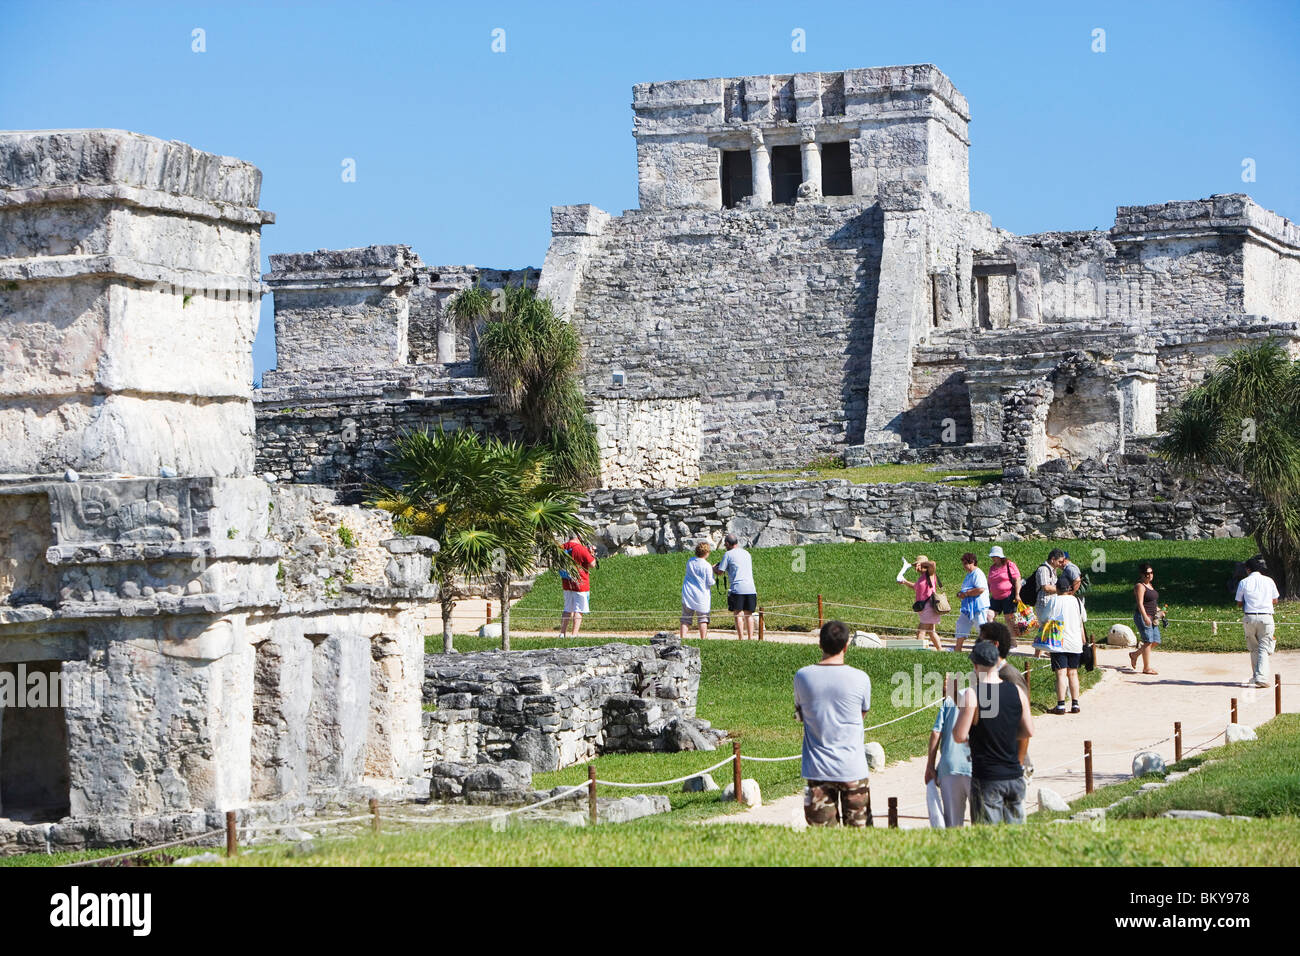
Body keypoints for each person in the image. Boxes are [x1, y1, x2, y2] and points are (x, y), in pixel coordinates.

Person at [794, 620, 873, 827]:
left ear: (820, 644)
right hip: (853, 767)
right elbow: (862, 714)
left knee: (823, 844)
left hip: (817, 770)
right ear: (846, 646)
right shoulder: (861, 678)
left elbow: (800, 712)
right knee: (861, 841)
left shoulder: (803, 676)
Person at [953, 641, 1034, 825]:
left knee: (988, 840)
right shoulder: (1017, 691)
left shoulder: (973, 694)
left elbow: (959, 736)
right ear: (997, 663)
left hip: (987, 777)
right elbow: (1029, 730)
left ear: (975, 665)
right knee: (1016, 840)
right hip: (1014, 775)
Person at [975, 621, 1033, 780]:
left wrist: (1019, 764)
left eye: (980, 642)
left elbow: (1023, 725)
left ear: (994, 644)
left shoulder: (1010, 676)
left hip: (1011, 763)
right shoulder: (986, 673)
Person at [924, 675, 971, 827]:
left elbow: (936, 732)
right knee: (983, 822)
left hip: (949, 767)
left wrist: (930, 765)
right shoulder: (982, 700)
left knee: (952, 824)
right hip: (974, 768)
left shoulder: (949, 702)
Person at [1235, 557, 1280, 688]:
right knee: (1264, 648)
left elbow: (1239, 602)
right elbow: (1275, 600)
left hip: (1249, 617)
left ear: (1248, 569)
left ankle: (1258, 676)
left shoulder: (1244, 582)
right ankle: (1260, 677)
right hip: (1266, 617)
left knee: (1254, 648)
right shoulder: (1269, 581)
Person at [1041, 588, 1086, 713]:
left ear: (1058, 588)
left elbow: (1044, 618)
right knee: (1073, 673)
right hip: (1075, 643)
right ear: (1070, 589)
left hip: (1058, 642)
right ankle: (1075, 704)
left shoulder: (1054, 600)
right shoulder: (1077, 601)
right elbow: (1083, 619)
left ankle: (1061, 705)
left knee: (1060, 674)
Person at [714, 533, 758, 640]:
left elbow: (720, 571)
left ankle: (740, 638)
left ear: (728, 544)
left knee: (738, 614)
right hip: (751, 588)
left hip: (737, 588)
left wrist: (713, 568)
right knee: (749, 615)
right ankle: (750, 637)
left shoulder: (728, 554)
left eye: (725, 545)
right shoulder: (747, 553)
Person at [898, 555, 944, 653]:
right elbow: (915, 587)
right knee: (931, 632)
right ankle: (940, 650)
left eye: (917, 565)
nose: (916, 567)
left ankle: (918, 653)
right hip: (924, 608)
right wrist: (905, 582)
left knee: (921, 631)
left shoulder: (930, 574)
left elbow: (933, 564)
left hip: (929, 607)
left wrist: (922, 563)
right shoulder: (922, 577)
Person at [1031, 549, 1068, 657]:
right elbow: (1046, 587)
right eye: (1060, 561)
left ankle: (1050, 651)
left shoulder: (1053, 569)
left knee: (1049, 627)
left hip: (1051, 602)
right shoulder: (1043, 569)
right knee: (1044, 627)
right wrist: (1062, 590)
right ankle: (1037, 654)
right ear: (1053, 559)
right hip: (1044, 602)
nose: (1061, 564)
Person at [559, 534, 597, 638]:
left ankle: (562, 633)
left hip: (567, 582)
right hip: (581, 583)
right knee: (578, 609)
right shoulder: (580, 549)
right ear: (578, 538)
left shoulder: (562, 547)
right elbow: (592, 564)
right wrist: (592, 554)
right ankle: (574, 635)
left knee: (567, 608)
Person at [1129, 561, 1162, 675]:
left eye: (1151, 573)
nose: (1150, 575)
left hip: (1153, 617)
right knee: (1148, 641)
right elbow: (1140, 604)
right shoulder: (1140, 586)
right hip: (1144, 616)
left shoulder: (1150, 585)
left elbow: (1151, 602)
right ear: (1142, 574)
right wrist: (1145, 617)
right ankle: (1146, 667)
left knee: (1156, 640)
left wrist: (1159, 610)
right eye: (1147, 573)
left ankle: (1135, 654)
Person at [954, 552, 991, 653]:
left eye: (966, 563)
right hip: (968, 608)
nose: (964, 566)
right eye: (963, 563)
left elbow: (980, 589)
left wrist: (966, 594)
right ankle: (957, 649)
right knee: (961, 625)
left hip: (978, 607)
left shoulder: (978, 573)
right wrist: (960, 594)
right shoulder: (969, 575)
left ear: (973, 562)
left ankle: (986, 651)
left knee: (981, 628)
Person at [680, 541, 715, 642]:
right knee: (703, 618)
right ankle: (703, 638)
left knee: (685, 617)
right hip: (701, 595)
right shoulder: (707, 566)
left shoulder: (690, 562)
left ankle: (682, 638)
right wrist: (713, 572)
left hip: (688, 593)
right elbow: (710, 582)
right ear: (707, 552)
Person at [986, 546, 1021, 634]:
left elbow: (1017, 580)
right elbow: (989, 583)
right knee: (988, 615)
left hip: (1008, 596)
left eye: (994, 556)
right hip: (995, 597)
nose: (992, 558)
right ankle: (995, 638)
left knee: (1009, 620)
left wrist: (1017, 594)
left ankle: (1013, 643)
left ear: (1000, 556)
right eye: (992, 556)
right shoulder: (992, 568)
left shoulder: (1010, 565)